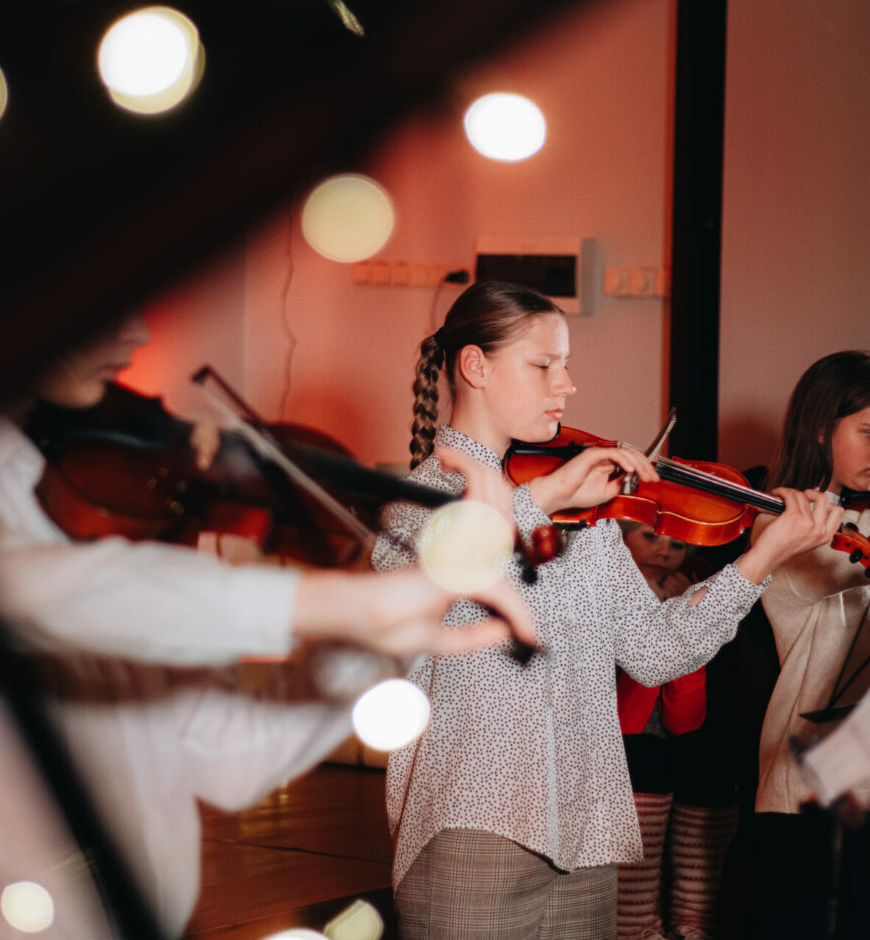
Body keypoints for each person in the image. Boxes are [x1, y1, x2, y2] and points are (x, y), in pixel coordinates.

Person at [0, 314, 537, 939]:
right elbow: (15, 587)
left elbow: (231, 759)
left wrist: (379, 642)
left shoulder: (115, 499)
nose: (138, 336)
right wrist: (344, 605)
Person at [371, 280, 842, 940]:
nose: (566, 385)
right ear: (476, 366)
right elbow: (421, 585)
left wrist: (761, 560)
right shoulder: (421, 498)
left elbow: (656, 651)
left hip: (586, 834)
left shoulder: (584, 519)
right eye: (544, 365)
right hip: (472, 827)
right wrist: (542, 500)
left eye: (565, 365)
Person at [751, 350, 870, 940]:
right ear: (822, 430)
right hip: (811, 780)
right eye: (868, 432)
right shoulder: (784, 521)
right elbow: (844, 564)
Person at [615, 523, 736, 940]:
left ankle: (692, 925)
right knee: (645, 757)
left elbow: (686, 718)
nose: (665, 552)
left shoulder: (691, 587)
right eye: (650, 537)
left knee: (708, 763)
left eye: (678, 545)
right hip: (619, 740)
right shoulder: (606, 588)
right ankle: (636, 927)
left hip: (672, 738)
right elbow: (625, 712)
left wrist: (684, 615)